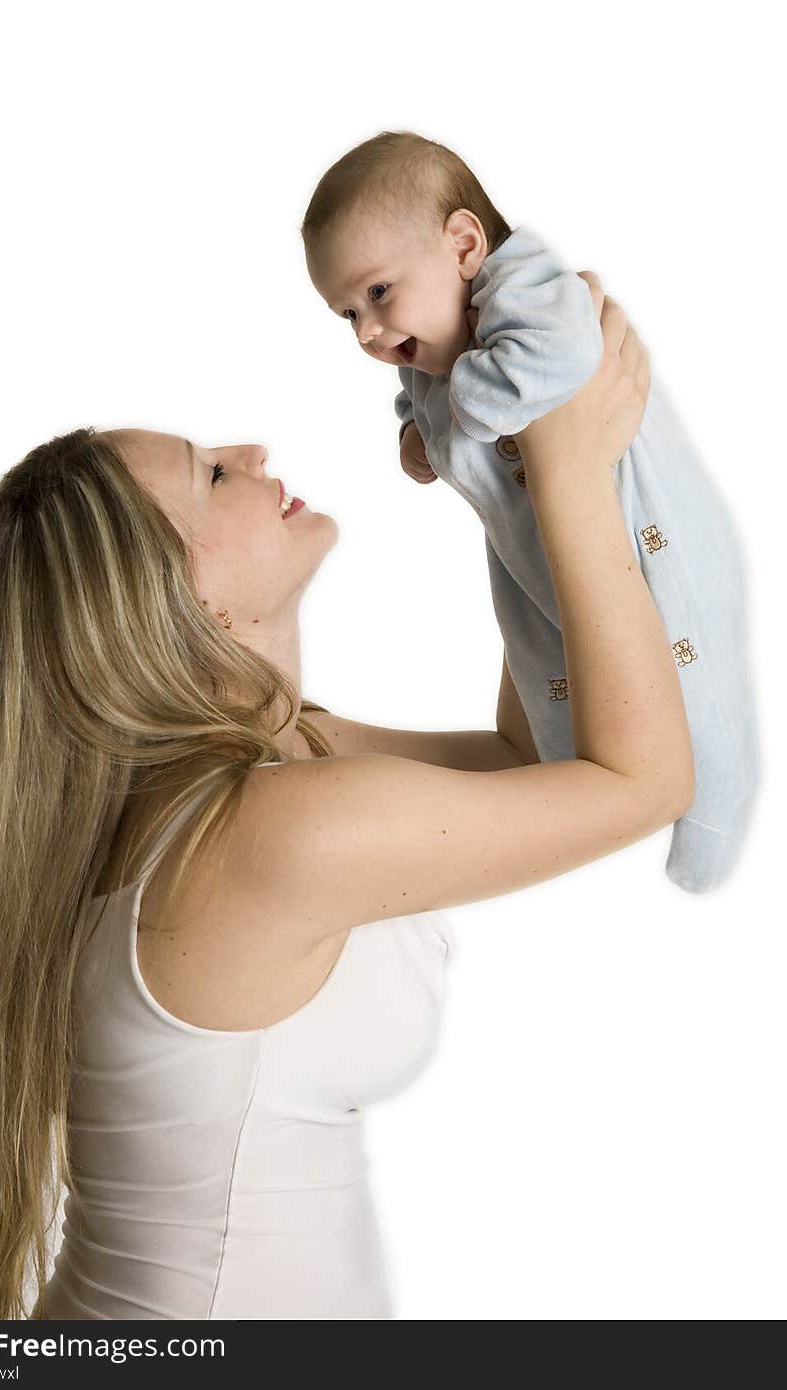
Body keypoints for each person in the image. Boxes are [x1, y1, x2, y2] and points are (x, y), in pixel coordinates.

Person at [0, 273, 693, 1320]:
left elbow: (528, 753)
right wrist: (569, 471)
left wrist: (510, 475)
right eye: (210, 474)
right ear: (188, 605)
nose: (252, 453)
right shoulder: (270, 833)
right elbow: (641, 781)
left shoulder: (252, 775)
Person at [302, 129, 759, 894]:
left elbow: (560, 358)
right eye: (347, 315)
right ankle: (569, 780)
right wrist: (415, 432)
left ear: (465, 244)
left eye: (378, 293)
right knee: (558, 677)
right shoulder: (433, 345)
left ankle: (716, 812)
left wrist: (447, 426)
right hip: (536, 556)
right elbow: (420, 402)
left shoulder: (528, 286)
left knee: (689, 677)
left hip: (645, 541)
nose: (371, 333)